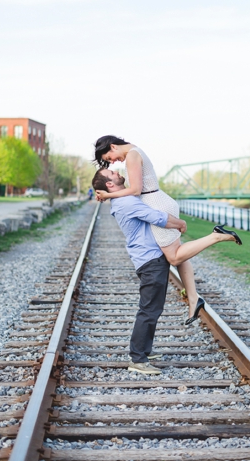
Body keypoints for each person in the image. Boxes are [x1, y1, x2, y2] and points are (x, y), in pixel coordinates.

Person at [96, 169, 239, 374]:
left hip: (150, 258)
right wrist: (180, 223)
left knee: (153, 308)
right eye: (112, 173)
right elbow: (157, 217)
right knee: (149, 310)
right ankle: (138, 359)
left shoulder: (122, 199)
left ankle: (144, 350)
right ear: (110, 184)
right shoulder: (126, 203)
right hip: (150, 260)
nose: (117, 171)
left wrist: (104, 194)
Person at [93, 136, 241, 323]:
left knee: (174, 256)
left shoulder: (131, 156)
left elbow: (136, 190)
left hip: (156, 205)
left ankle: (216, 236)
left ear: (113, 146)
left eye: (110, 157)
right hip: (159, 201)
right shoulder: (135, 152)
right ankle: (194, 299)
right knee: (180, 255)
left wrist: (109, 194)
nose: (113, 162)